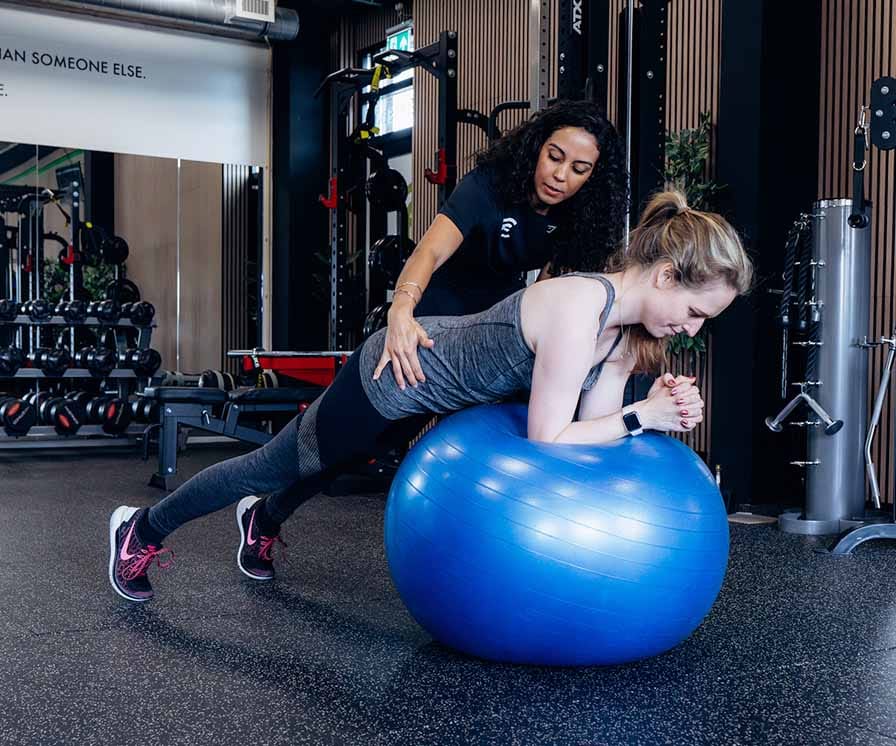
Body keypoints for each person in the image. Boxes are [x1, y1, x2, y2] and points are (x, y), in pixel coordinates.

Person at [108, 190, 752, 603]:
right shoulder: (581, 307)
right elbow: (550, 437)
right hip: (393, 375)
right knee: (275, 464)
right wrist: (643, 416)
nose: (692, 330)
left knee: (340, 461)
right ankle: (141, 528)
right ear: (666, 275)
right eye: (695, 312)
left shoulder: (625, 336)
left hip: (432, 397)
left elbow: (591, 429)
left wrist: (652, 411)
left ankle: (263, 521)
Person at [377, 99, 628, 390]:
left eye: (579, 169)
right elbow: (429, 251)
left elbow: (546, 295)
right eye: (554, 157)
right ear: (536, 147)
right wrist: (401, 308)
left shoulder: (580, 217)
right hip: (443, 298)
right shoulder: (489, 183)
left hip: (501, 306)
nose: (560, 176)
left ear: (592, 177)